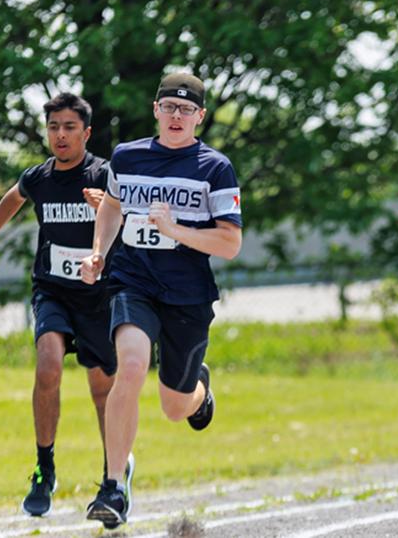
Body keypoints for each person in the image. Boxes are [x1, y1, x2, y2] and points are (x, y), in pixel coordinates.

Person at [80, 72, 243, 529]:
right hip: (133, 280)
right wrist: (98, 253)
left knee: (175, 406)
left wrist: (177, 231)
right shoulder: (128, 157)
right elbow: (112, 206)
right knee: (129, 365)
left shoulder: (215, 167)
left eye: (186, 110)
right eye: (169, 107)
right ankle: (114, 484)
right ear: (155, 110)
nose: (177, 116)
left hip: (187, 295)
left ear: (200, 117)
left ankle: (200, 392)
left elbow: (230, 243)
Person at [0, 93, 133, 516]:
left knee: (100, 389)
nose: (60, 135)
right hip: (52, 291)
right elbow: (11, 199)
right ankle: (44, 468)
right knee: (48, 366)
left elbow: (134, 219)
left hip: (97, 294)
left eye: (69, 127)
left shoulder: (105, 175)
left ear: (86, 133)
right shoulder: (39, 177)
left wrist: (114, 209)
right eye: (54, 126)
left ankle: (115, 474)